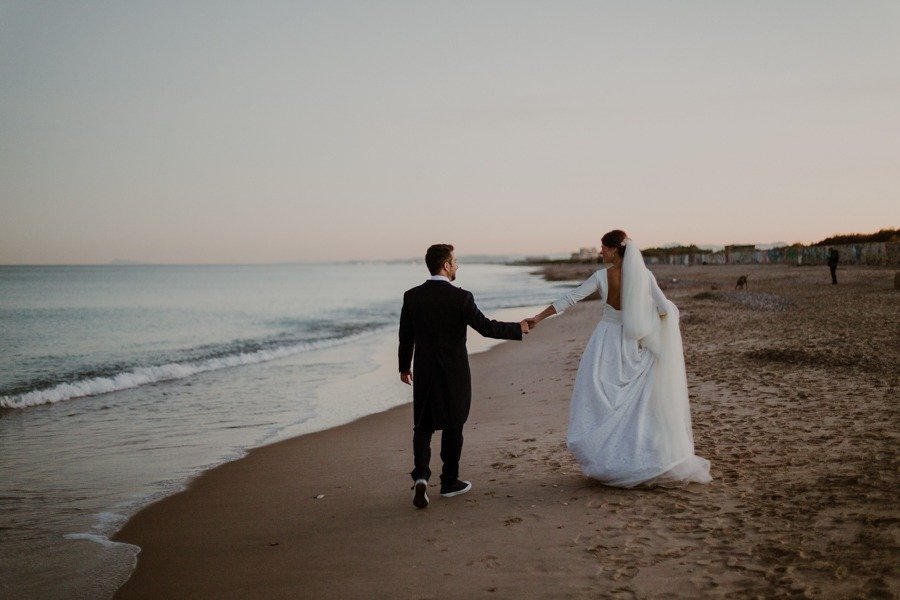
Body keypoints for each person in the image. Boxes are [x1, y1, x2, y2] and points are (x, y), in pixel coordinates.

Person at [527, 230, 711, 487]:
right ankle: (637, 460)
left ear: (615, 249)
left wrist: (537, 318)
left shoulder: (602, 277)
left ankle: (611, 460)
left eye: (603, 248)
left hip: (606, 342)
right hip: (634, 343)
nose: (600, 252)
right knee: (636, 405)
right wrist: (648, 322)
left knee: (603, 399)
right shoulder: (644, 276)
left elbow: (570, 298)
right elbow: (665, 309)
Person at [399, 244, 530, 508]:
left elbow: (406, 336)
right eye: (455, 262)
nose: (457, 266)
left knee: (423, 426)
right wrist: (519, 328)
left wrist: (404, 367)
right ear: (446, 265)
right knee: (453, 424)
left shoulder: (412, 296)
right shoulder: (461, 297)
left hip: (424, 370)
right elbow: (486, 327)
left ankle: (422, 477)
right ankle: (449, 482)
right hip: (454, 371)